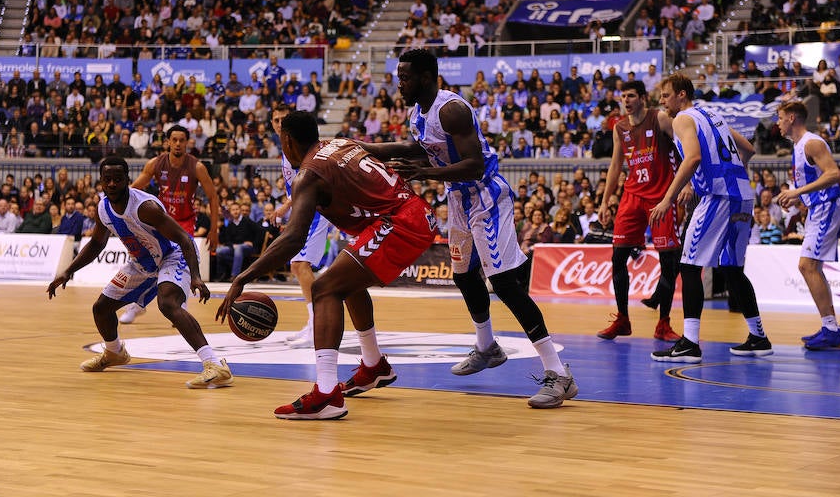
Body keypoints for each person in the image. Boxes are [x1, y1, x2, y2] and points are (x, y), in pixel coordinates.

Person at [359, 49, 577, 408]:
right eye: (399, 76)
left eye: (406, 76)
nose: (400, 83)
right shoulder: (419, 112)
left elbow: (475, 165)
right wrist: (370, 149)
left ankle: (559, 374)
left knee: (504, 285)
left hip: (485, 197)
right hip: (458, 199)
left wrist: (426, 174)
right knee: (463, 275)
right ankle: (486, 347)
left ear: (427, 77)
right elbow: (419, 148)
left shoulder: (452, 109)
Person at [216, 111, 436, 420]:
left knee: (323, 289)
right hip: (412, 212)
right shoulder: (340, 143)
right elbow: (400, 147)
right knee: (346, 283)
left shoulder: (309, 174)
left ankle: (327, 393)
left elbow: (293, 239)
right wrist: (431, 148)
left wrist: (243, 277)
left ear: (287, 140)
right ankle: (374, 366)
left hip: (400, 223)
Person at [47, 156, 232, 389]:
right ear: (101, 182)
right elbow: (96, 244)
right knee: (101, 308)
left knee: (167, 303)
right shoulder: (103, 208)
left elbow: (184, 239)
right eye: (107, 179)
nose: (112, 184)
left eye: (117, 179)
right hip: (141, 264)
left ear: (127, 180)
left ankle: (215, 365)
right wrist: (67, 271)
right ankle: (114, 353)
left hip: (172, 256)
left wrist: (195, 276)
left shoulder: (145, 207)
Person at [649, 73, 772, 363]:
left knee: (689, 265)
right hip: (742, 194)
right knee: (732, 269)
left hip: (717, 196)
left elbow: (692, 158)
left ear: (681, 94)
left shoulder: (682, 118)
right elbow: (749, 149)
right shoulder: (713, 113)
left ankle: (690, 342)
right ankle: (759, 336)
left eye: (666, 95)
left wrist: (668, 197)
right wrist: (730, 176)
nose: (662, 101)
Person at [597, 81, 684, 343]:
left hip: (661, 197)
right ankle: (622, 319)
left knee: (669, 261)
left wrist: (687, 183)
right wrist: (605, 200)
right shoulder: (619, 127)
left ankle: (664, 323)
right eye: (623, 95)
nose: (626, 99)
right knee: (617, 258)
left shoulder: (660, 119)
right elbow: (615, 166)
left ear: (643, 98)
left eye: (631, 95)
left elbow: (685, 151)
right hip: (632, 196)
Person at [124, 125, 220, 323]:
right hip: (161, 221)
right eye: (174, 140)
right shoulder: (155, 164)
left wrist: (214, 229)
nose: (177, 144)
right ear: (167, 142)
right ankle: (138, 305)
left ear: (187, 142)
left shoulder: (197, 167)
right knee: (152, 264)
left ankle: (181, 304)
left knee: (183, 262)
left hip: (185, 222)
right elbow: (133, 190)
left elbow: (213, 197)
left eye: (181, 140)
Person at [775, 101, 840, 350]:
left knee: (807, 266)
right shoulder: (797, 146)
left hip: (827, 205)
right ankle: (831, 327)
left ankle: (831, 327)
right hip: (818, 207)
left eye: (781, 118)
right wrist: (798, 200)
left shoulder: (811, 142)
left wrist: (798, 191)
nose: (778, 123)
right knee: (811, 267)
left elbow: (834, 174)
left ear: (792, 118)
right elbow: (816, 180)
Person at [269, 103, 334, 348]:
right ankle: (313, 321)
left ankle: (318, 325)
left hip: (315, 208)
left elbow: (309, 181)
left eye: (284, 119)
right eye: (276, 120)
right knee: (298, 268)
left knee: (299, 264)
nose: (280, 123)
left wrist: (285, 208)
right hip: (304, 208)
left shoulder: (299, 147)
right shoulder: (285, 149)